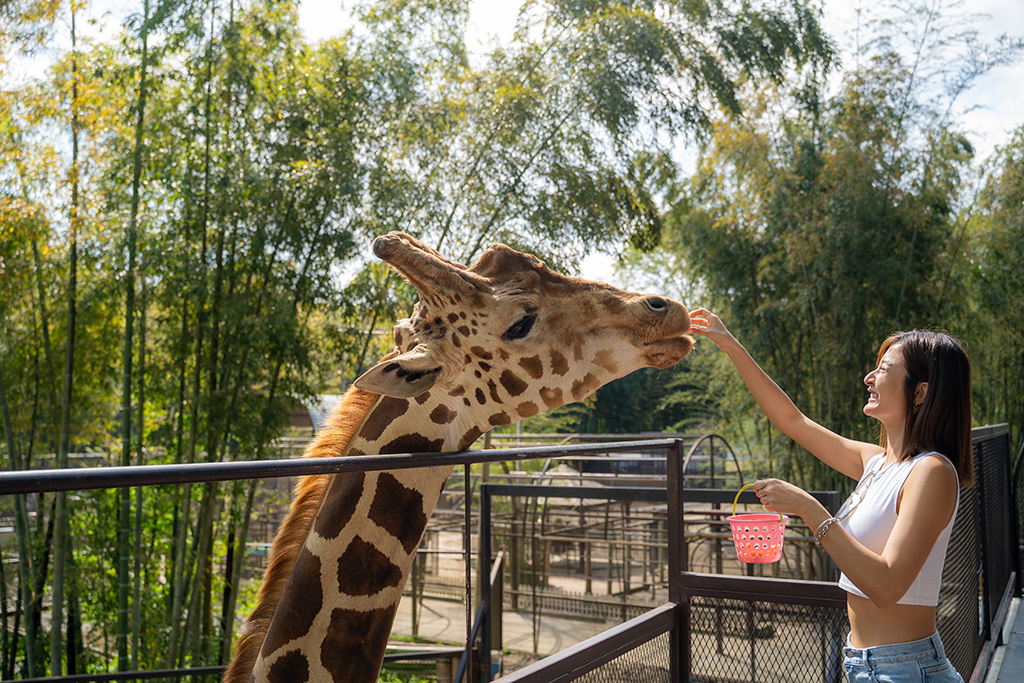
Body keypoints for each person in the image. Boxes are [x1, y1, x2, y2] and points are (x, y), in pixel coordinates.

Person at [689, 308, 972, 683]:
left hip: (905, 670)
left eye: (884, 369)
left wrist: (809, 509)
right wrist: (729, 344)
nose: (869, 378)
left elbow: (887, 587)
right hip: (864, 664)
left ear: (920, 392)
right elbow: (793, 422)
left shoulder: (931, 472)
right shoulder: (877, 463)